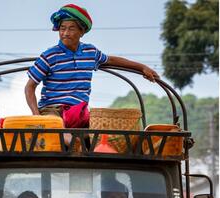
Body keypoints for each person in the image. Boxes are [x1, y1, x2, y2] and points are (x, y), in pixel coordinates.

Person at [25, 4, 159, 125]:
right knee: (57, 128)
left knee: (100, 133)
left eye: (71, 29)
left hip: (79, 112)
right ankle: (67, 139)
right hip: (52, 110)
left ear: (81, 32)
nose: (65, 33)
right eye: (62, 28)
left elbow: (111, 60)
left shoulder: (90, 52)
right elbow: (29, 87)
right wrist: (37, 117)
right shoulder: (50, 55)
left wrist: (142, 67)